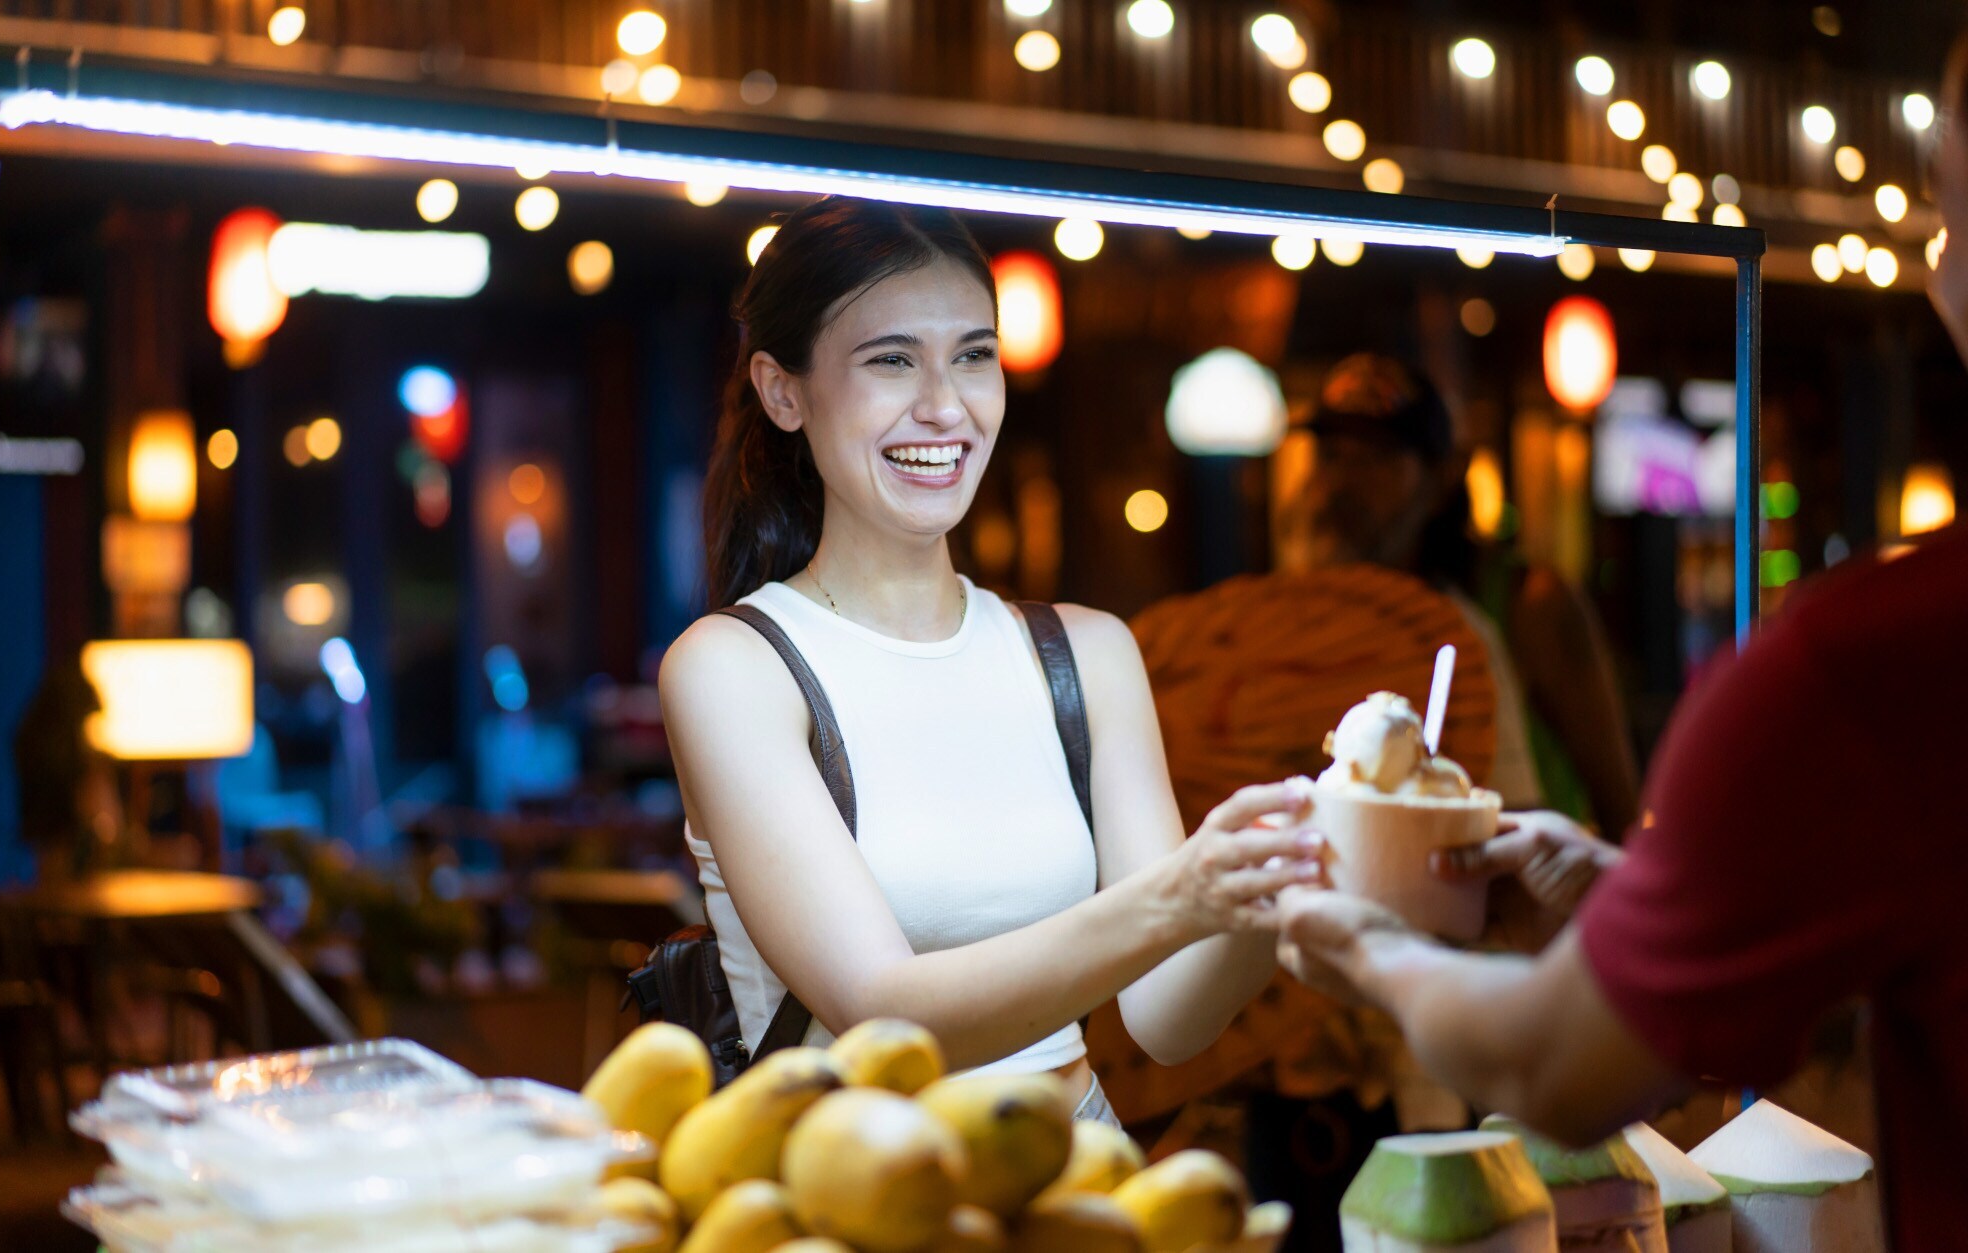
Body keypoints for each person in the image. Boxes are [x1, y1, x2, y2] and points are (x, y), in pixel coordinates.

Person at [1272, 39, 1968, 1249]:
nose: (1931, 259)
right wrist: (1636, 896)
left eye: (1947, 208)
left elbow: (1563, 1067)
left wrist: (1373, 948)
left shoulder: (1873, 661)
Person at [659, 196, 1321, 1122]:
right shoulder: (735, 667)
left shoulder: (1086, 654)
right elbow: (879, 1012)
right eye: (892, 360)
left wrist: (1273, 881)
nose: (945, 406)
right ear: (783, 391)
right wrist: (1183, 891)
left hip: (1078, 1180)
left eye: (974, 356)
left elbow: (1168, 1017)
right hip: (853, 1194)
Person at [1274, 353, 1640, 835]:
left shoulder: (1525, 606)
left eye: (1375, 458)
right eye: (1332, 456)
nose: (1341, 483)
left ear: (1443, 476)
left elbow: (1620, 810)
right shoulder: (1294, 619)